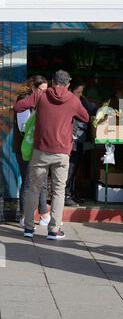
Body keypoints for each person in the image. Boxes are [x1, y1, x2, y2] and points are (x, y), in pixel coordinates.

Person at [13, 70, 89, 240]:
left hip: (40, 151)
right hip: (62, 152)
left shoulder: (41, 95)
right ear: (68, 84)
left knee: (33, 188)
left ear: (53, 81)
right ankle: (54, 230)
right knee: (58, 191)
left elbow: (18, 107)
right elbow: (85, 117)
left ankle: (29, 228)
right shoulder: (72, 99)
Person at [13, 75, 50, 227]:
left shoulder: (40, 100)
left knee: (39, 179)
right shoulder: (24, 100)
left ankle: (43, 214)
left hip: (36, 147)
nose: (44, 93)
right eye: (41, 90)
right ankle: (24, 216)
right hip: (24, 147)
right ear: (34, 88)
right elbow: (23, 127)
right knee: (28, 182)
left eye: (46, 90)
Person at [65, 81, 98, 207]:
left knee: (75, 168)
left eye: (81, 92)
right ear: (70, 91)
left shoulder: (81, 101)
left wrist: (83, 99)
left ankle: (71, 193)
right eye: (78, 92)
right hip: (71, 139)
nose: (80, 95)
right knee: (70, 168)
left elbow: (92, 110)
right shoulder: (69, 102)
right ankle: (66, 195)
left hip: (79, 139)